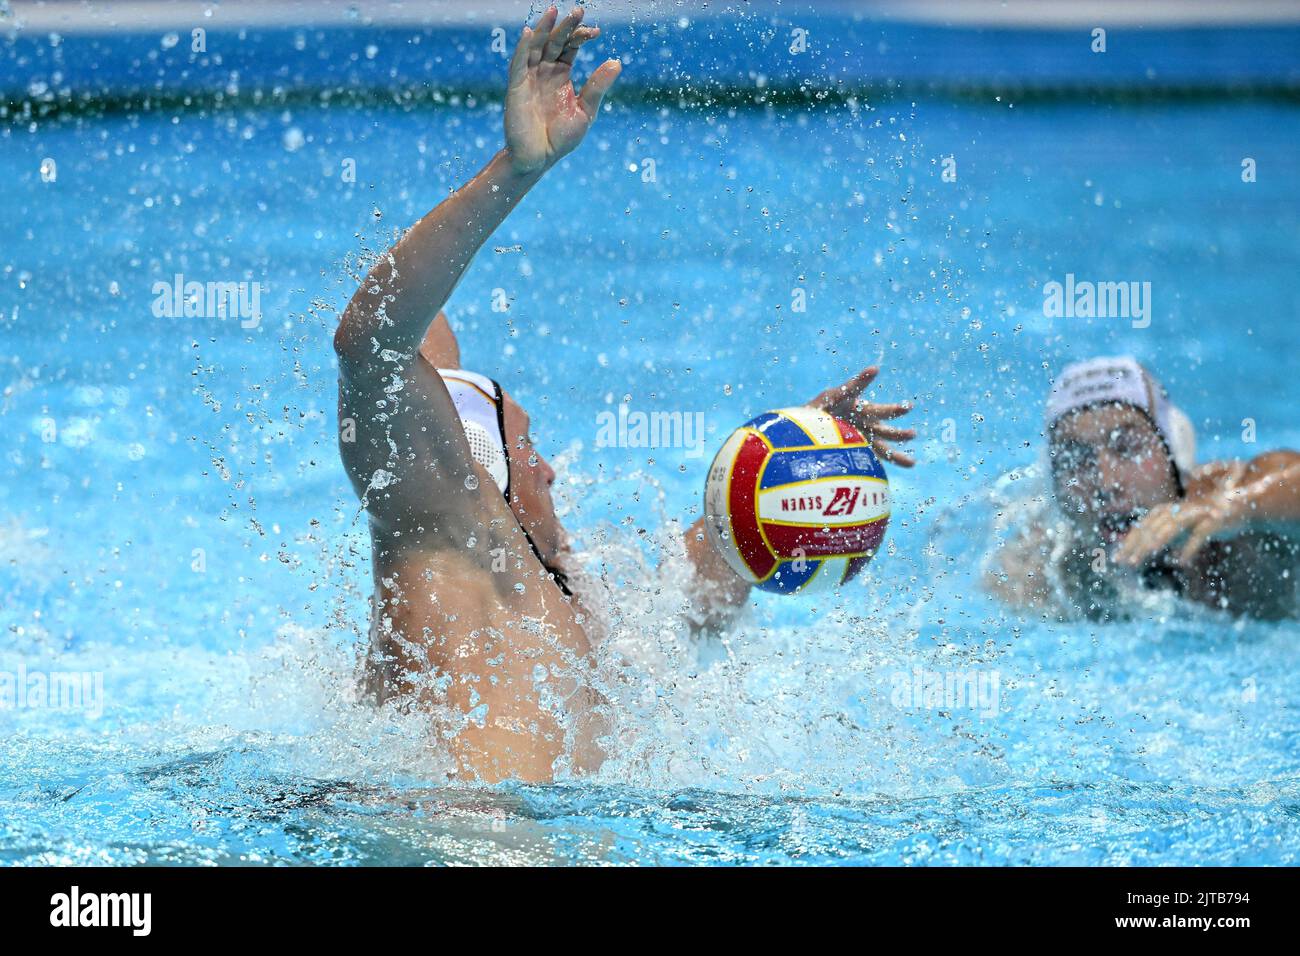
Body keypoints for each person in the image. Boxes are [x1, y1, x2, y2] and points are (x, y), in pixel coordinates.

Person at [333, 6, 916, 783]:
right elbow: (373, 341)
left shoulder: (562, 592)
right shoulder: (453, 538)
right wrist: (513, 173)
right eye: (527, 448)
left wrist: (794, 463)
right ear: (474, 474)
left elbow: (699, 598)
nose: (548, 471)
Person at [988, 355, 1300, 619]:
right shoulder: (1046, 572)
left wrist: (1234, 509)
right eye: (1076, 459)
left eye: (1128, 449)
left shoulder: (1235, 519)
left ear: (1174, 455)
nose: (1105, 484)